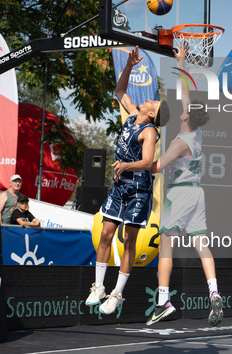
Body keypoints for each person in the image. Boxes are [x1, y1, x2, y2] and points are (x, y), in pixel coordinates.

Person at [85, 46, 171, 315]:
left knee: (130, 241)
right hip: (121, 186)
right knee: (106, 234)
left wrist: (125, 164)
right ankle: (98, 287)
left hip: (138, 191)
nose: (150, 100)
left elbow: (147, 163)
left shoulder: (149, 132)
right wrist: (130, 65)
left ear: (154, 114)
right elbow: (120, 91)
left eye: (154, 103)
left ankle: (117, 293)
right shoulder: (133, 115)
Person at [146, 43, 223, 327]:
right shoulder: (196, 133)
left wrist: (135, 163)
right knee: (202, 245)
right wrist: (181, 62)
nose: (183, 109)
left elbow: (156, 167)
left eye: (186, 110)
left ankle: (162, 301)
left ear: (188, 116)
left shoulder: (179, 143)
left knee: (166, 245)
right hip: (198, 195)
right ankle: (214, 292)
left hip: (178, 195)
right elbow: (185, 94)